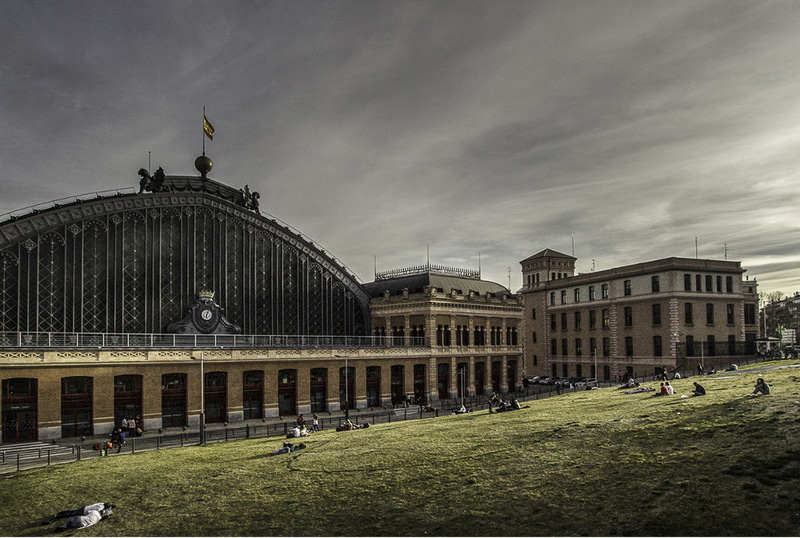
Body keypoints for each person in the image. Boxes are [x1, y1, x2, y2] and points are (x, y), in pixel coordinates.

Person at [44, 503, 115, 528]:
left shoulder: (101, 504)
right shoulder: (99, 509)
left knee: (72, 512)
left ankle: (62, 513)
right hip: (84, 511)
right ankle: (60, 514)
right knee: (71, 514)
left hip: (85, 509)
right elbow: (98, 515)